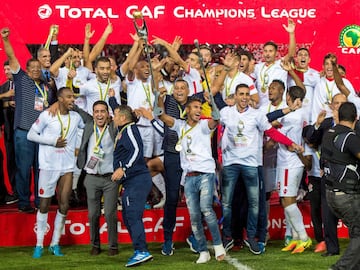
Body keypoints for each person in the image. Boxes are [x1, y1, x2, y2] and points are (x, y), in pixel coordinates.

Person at [220, 83, 303, 255]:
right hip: (230, 164)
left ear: (250, 97)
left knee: (254, 204)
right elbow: (212, 124)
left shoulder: (257, 114)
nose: (244, 97)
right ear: (234, 96)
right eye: (240, 94)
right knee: (227, 203)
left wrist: (291, 143)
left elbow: (272, 132)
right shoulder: (225, 113)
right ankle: (227, 237)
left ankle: (252, 238)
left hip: (251, 165)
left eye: (246, 94)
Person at [159, 97, 226, 263]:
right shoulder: (180, 126)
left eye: (200, 108)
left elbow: (215, 121)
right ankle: (203, 251)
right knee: (194, 216)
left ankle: (218, 246)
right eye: (195, 107)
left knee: (206, 208)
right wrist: (158, 106)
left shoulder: (204, 126)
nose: (199, 110)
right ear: (187, 110)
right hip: (188, 177)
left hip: (205, 174)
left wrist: (213, 107)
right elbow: (163, 117)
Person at [1, 27, 57, 213]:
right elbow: (12, 56)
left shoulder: (46, 87)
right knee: (24, 169)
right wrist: (6, 40)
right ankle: (24, 202)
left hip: (41, 135)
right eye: (31, 68)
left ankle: (40, 202)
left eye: (37, 68)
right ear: (26, 70)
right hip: (24, 133)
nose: (34, 70)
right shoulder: (21, 79)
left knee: (41, 170)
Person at [27, 87, 84, 258]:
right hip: (48, 166)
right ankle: (39, 244)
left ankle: (55, 243)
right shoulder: (47, 115)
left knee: (64, 203)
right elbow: (31, 134)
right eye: (68, 97)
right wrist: (52, 142)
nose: (72, 99)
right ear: (59, 99)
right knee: (44, 205)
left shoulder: (76, 117)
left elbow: (83, 128)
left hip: (67, 166)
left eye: (73, 97)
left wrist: (77, 145)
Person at [75, 100, 120, 256]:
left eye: (103, 111)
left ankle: (113, 246)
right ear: (93, 114)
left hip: (110, 179)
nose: (100, 114)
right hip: (91, 177)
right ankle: (95, 244)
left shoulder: (114, 127)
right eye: (97, 111)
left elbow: (128, 119)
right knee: (93, 214)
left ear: (108, 114)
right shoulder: (89, 125)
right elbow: (77, 109)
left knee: (109, 213)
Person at [111, 105, 153, 267]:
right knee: (128, 217)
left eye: (115, 114)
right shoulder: (124, 131)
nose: (113, 117)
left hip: (137, 179)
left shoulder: (129, 129)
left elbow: (137, 150)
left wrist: (124, 168)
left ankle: (142, 251)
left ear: (122, 118)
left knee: (133, 216)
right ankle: (140, 250)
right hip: (131, 181)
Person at [321, 102, 360, 270]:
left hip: (331, 192)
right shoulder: (350, 138)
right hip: (346, 194)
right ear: (356, 118)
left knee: (355, 231)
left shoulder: (329, 133)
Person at [0, 60, 17, 204]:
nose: (6, 72)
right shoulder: (3, 88)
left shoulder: (24, 85)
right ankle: (14, 191)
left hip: (23, 130)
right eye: (4, 70)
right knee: (10, 161)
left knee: (23, 163)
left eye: (8, 69)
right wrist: (6, 101)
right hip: (8, 131)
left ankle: (23, 191)